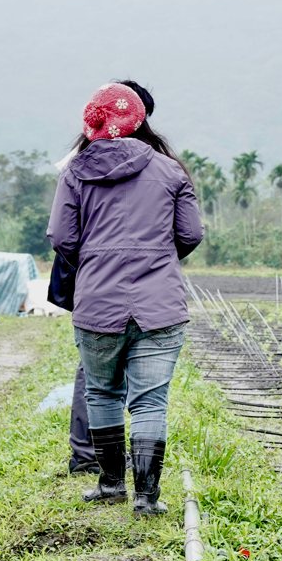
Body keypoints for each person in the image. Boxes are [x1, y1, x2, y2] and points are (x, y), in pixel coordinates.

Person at [47, 83, 204, 516]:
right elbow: (190, 234)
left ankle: (111, 484)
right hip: (160, 303)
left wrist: (97, 260)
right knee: (150, 401)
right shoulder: (170, 171)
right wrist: (156, 258)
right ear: (139, 118)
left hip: (97, 301)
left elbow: (63, 238)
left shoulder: (75, 171)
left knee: (101, 392)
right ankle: (147, 498)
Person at [60, 80, 159, 477]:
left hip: (94, 282)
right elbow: (187, 233)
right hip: (145, 285)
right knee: (146, 390)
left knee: (95, 375)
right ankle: (136, 477)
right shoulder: (159, 164)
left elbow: (62, 235)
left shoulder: (78, 161)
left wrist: (90, 264)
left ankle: (93, 461)